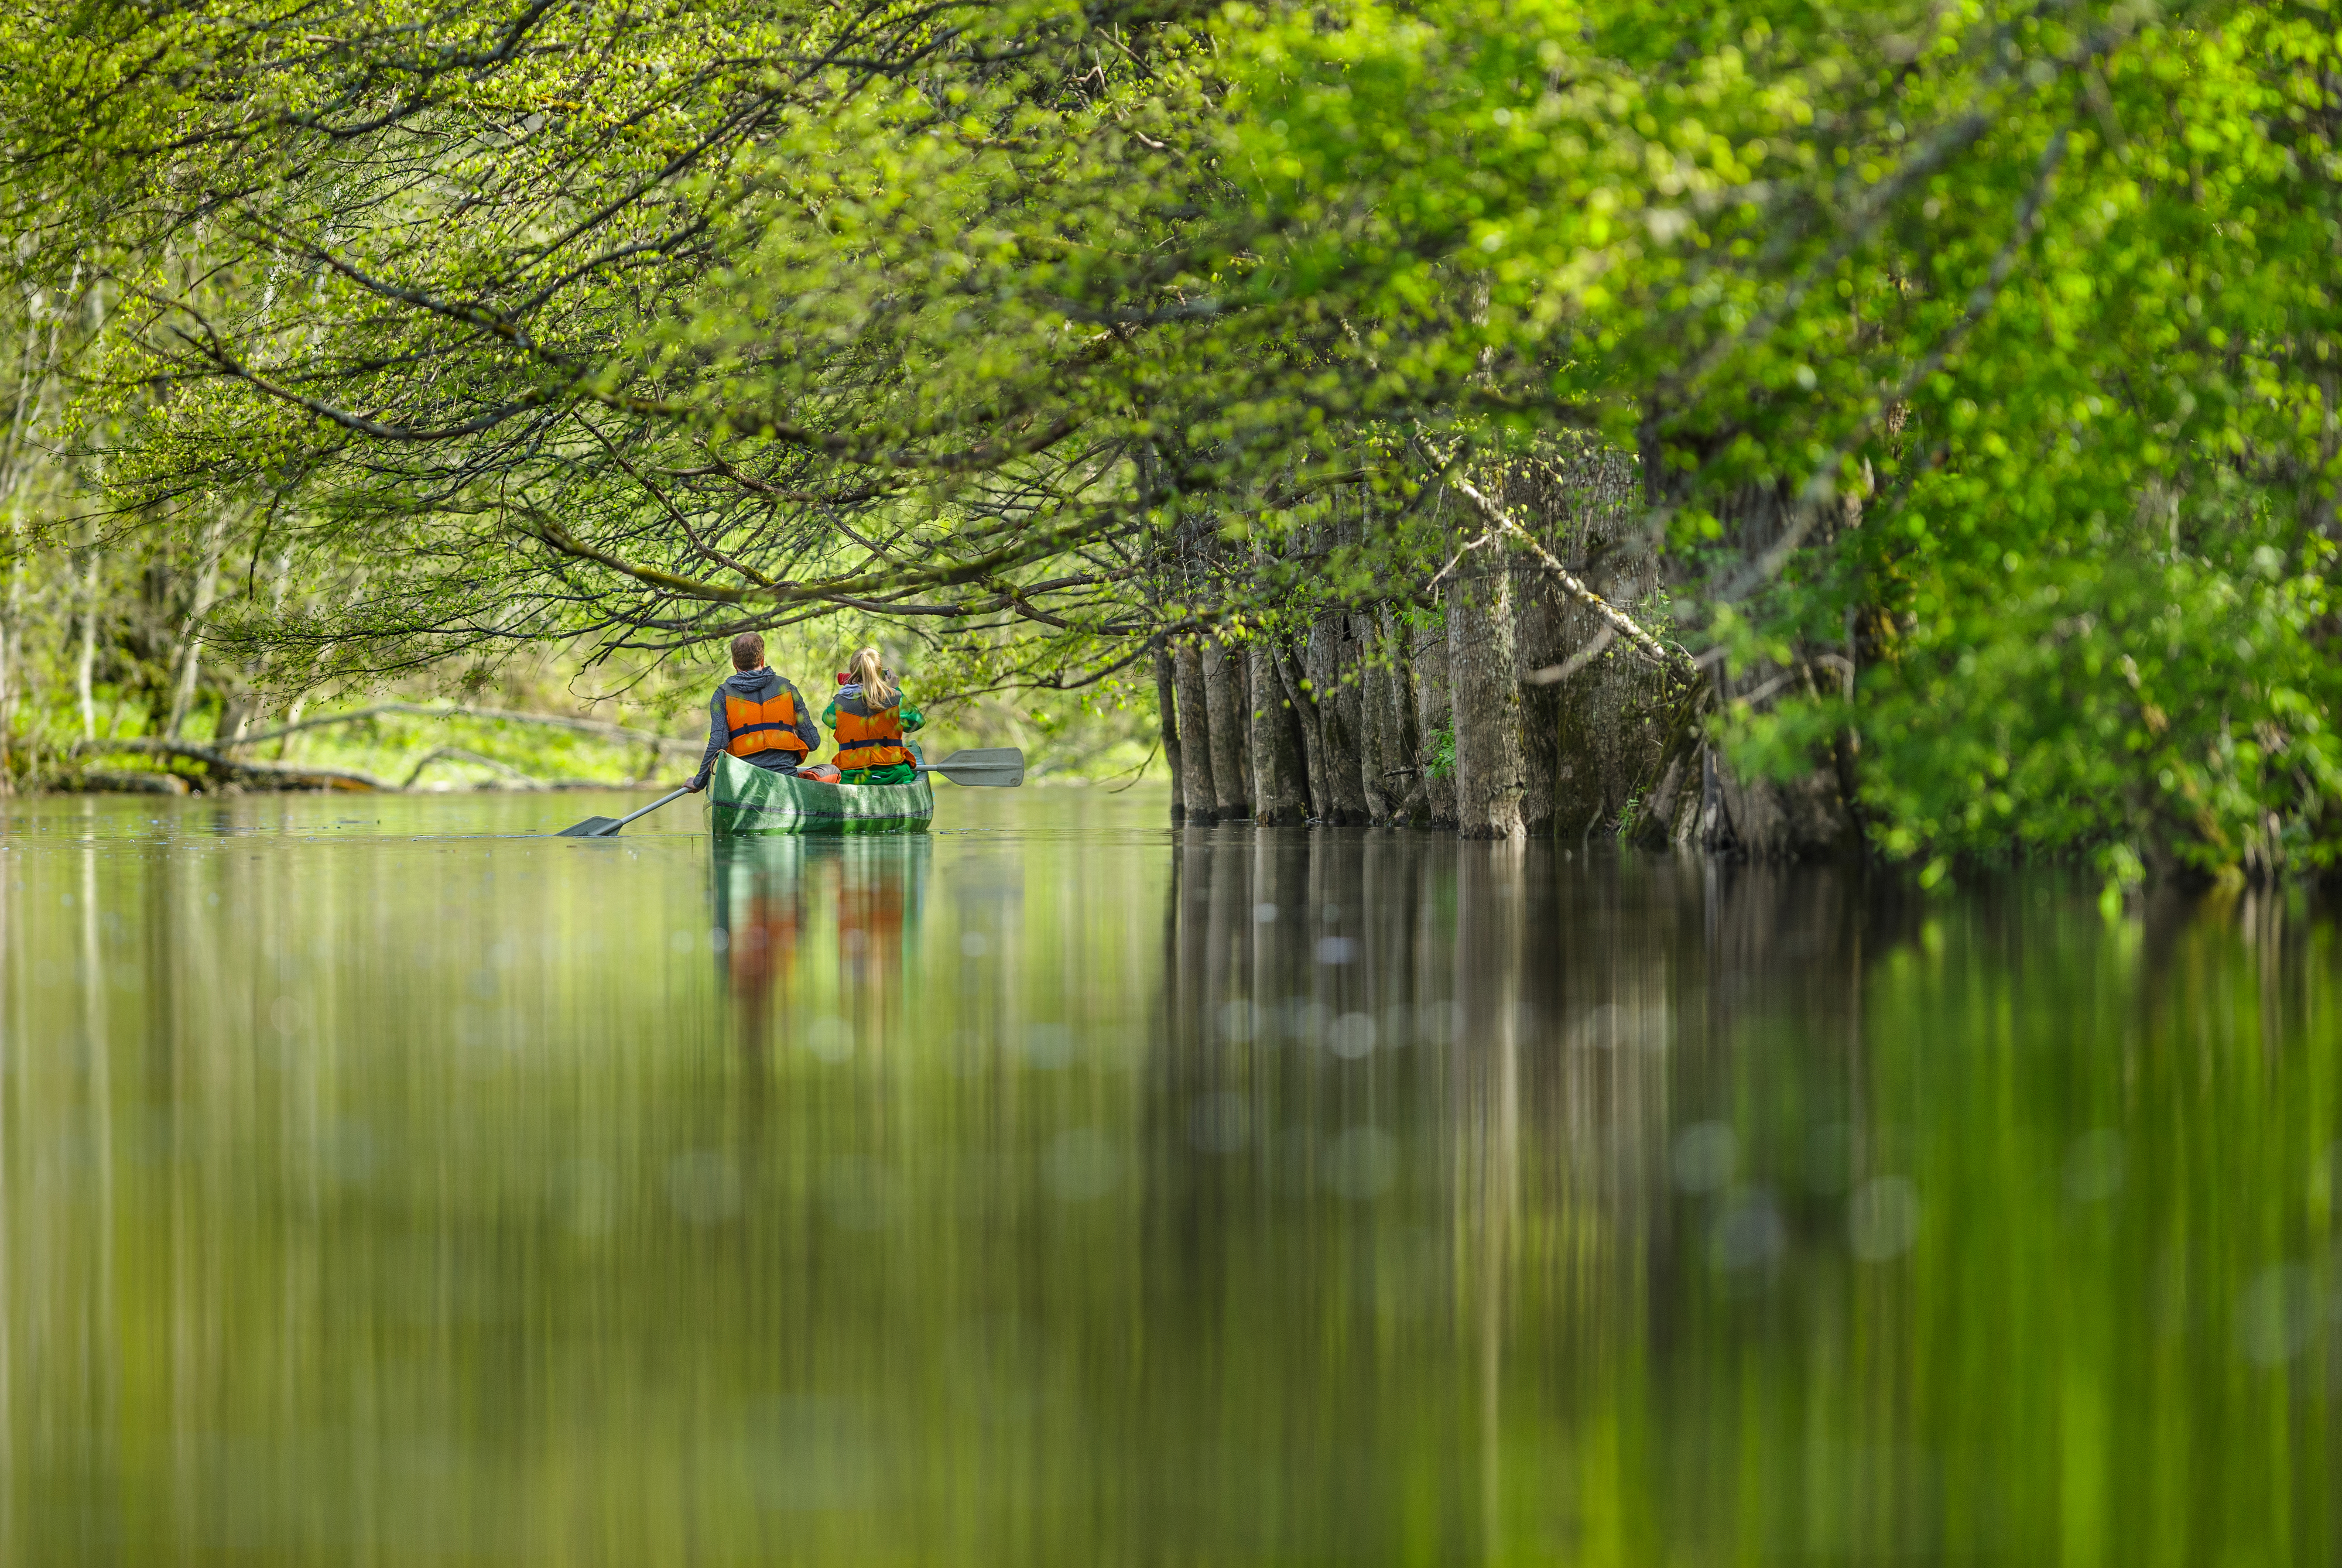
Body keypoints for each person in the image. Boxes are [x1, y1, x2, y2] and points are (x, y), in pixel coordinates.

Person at [686, 632, 821, 793]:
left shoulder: (722, 695)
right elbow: (813, 742)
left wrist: (699, 781)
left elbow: (718, 743)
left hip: (745, 784)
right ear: (762, 660)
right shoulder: (788, 690)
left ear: (734, 663)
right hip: (787, 782)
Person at [822, 646, 924, 785]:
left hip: (851, 778)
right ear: (880, 671)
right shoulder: (895, 698)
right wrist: (895, 689)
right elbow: (917, 722)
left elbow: (829, 720)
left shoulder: (839, 702)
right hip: (893, 775)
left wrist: (849, 690)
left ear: (852, 671)